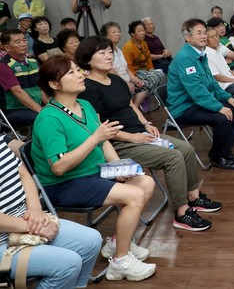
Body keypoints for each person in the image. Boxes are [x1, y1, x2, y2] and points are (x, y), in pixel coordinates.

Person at [32, 55, 157, 282]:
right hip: (65, 184)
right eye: (71, 72)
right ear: (54, 84)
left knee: (146, 183)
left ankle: (117, 243)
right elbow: (59, 167)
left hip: (93, 173)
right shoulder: (49, 118)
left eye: (78, 70)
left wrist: (118, 167)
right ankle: (120, 262)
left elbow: (104, 140)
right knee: (135, 195)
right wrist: (95, 138)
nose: (81, 75)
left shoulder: (85, 105)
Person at [76, 36, 220, 232]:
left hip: (140, 133)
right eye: (102, 53)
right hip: (118, 143)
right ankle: (182, 212)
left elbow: (130, 105)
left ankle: (193, 196)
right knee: (173, 157)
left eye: (110, 52)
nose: (109, 56)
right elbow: (98, 129)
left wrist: (146, 123)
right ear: (87, 59)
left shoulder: (116, 80)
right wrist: (131, 137)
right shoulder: (88, 89)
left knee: (185, 148)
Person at [0, 135, 103, 288]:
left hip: (26, 220)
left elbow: (22, 173)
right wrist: (32, 226)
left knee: (92, 240)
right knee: (68, 264)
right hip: (4, 240)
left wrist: (35, 209)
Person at [168, 19, 234, 170]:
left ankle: (225, 151)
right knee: (222, 118)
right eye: (199, 33)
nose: (204, 36)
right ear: (187, 37)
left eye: (204, 33)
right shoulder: (185, 57)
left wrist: (227, 97)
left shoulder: (201, 54)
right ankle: (217, 156)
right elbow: (196, 90)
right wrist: (219, 107)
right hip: (183, 107)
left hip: (196, 103)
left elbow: (211, 82)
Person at [0, 29, 45, 130]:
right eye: (17, 42)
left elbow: (40, 88)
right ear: (7, 47)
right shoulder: (3, 66)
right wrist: (40, 110)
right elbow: (17, 92)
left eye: (24, 40)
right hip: (14, 110)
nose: (23, 44)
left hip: (34, 105)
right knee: (43, 118)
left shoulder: (32, 62)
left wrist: (54, 104)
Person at [101, 22, 149, 108]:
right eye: (114, 32)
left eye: (118, 31)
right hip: (116, 82)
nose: (118, 34)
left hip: (126, 80)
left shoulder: (119, 50)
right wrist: (124, 83)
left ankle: (135, 107)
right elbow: (110, 70)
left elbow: (126, 68)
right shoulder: (105, 51)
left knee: (143, 85)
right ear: (106, 36)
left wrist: (135, 80)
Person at [121, 20, 166, 107]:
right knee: (152, 78)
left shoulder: (144, 43)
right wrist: (134, 78)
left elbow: (148, 58)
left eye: (143, 30)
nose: (142, 33)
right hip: (135, 71)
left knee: (160, 74)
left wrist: (151, 69)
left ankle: (144, 95)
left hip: (145, 70)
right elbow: (128, 65)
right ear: (132, 33)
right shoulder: (128, 47)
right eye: (139, 31)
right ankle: (142, 97)